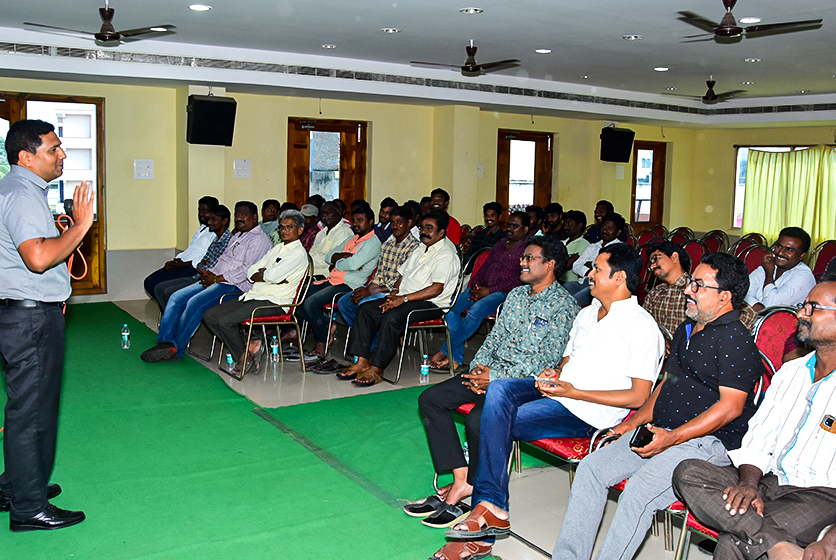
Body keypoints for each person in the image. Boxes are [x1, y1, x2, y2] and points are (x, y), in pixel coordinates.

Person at [429, 244, 665, 560]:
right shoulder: (587, 313)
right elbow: (569, 359)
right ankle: (491, 507)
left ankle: (486, 511)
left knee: (490, 417)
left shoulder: (641, 326)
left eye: (596, 269)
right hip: (559, 391)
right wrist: (556, 373)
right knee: (499, 391)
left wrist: (573, 392)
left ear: (619, 277)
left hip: (586, 411)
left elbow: (638, 396)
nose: (588, 274)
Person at [551, 252, 763, 560]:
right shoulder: (687, 330)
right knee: (591, 470)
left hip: (705, 443)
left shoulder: (735, 340)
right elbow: (667, 385)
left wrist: (673, 438)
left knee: (638, 492)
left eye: (699, 285)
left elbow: (730, 408)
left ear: (724, 298)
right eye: (691, 282)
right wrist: (630, 424)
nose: (688, 290)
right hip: (663, 430)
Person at [407, 236, 579, 529]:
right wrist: (478, 370)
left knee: (478, 418)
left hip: (519, 386)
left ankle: (471, 485)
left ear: (550, 265)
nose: (522, 263)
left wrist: (494, 378)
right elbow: (494, 338)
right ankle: (461, 480)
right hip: (489, 374)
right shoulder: (515, 295)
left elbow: (547, 362)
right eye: (523, 258)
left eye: (529, 258)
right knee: (431, 399)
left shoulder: (564, 307)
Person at [673, 280, 836, 560]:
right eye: (803, 306)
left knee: (735, 540)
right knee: (687, 472)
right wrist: (749, 484)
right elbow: (760, 434)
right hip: (768, 478)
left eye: (813, 308)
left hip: (820, 494)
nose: (801, 314)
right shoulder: (791, 372)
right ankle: (778, 545)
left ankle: (759, 535)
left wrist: (832, 540)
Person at [0, 119, 94, 531]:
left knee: (23, 407)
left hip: (18, 314)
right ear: (26, 156)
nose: (62, 155)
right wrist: (80, 225)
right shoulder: (21, 193)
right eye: (53, 149)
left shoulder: (14, 189)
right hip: (30, 317)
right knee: (33, 413)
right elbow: (38, 258)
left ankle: (18, 485)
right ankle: (29, 506)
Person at [140, 201, 272, 362]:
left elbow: (246, 271)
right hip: (216, 279)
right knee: (176, 297)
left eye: (244, 214)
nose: (239, 218)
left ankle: (176, 348)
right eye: (237, 214)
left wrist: (216, 278)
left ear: (254, 217)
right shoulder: (238, 235)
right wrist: (209, 273)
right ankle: (164, 342)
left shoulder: (258, 240)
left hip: (234, 286)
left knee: (194, 303)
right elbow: (223, 259)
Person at [340, 211, 460, 387]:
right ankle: (362, 361)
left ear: (441, 232)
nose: (424, 232)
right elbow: (402, 276)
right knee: (366, 309)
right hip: (406, 298)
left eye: (430, 228)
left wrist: (403, 299)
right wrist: (394, 294)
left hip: (431, 304)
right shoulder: (420, 249)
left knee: (392, 316)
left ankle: (378, 367)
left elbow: (436, 289)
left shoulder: (446, 255)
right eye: (422, 228)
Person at [203, 210, 309, 378]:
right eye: (282, 227)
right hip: (255, 296)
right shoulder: (278, 248)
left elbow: (271, 276)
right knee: (210, 315)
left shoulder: (298, 254)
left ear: (300, 230)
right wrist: (266, 275)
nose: (284, 231)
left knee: (225, 321)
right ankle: (246, 353)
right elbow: (251, 271)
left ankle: (244, 357)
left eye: (289, 227)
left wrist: (265, 274)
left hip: (276, 302)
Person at [428, 211, 530, 373]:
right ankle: (456, 358)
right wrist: (475, 287)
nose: (510, 228)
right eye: (508, 225)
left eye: (515, 226)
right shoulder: (500, 244)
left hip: (505, 294)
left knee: (475, 311)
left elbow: (518, 280)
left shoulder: (528, 250)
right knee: (450, 306)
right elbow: (484, 268)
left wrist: (489, 291)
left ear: (525, 229)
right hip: (481, 289)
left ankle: (444, 351)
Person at [330, 205, 419, 357]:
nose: (395, 226)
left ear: (409, 223)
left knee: (365, 306)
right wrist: (368, 289)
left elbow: (403, 280)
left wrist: (373, 291)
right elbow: (379, 274)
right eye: (392, 222)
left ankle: (367, 347)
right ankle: (374, 336)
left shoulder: (415, 248)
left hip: (396, 293)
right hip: (378, 288)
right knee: (346, 301)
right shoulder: (388, 245)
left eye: (399, 222)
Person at [296, 203, 381, 360]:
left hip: (349, 284)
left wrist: (338, 261)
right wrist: (342, 258)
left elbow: (353, 264)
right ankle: (326, 325)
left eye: (360, 220)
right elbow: (329, 257)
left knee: (310, 303)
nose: (355, 224)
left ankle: (321, 340)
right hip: (332, 279)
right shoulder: (352, 238)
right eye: (354, 220)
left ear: (370, 222)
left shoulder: (373, 243)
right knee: (296, 299)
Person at [143, 196, 219, 309]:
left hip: (192, 269)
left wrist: (181, 264)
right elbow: (191, 249)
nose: (201, 214)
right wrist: (176, 260)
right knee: (149, 282)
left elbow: (203, 259)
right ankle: (168, 310)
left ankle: (174, 312)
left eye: (205, 211)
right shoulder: (202, 229)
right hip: (182, 264)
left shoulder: (215, 233)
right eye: (200, 210)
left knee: (160, 287)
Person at [153, 205, 232, 310]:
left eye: (213, 219)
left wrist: (204, 265)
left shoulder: (228, 242)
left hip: (208, 282)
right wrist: (203, 264)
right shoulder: (216, 240)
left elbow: (212, 268)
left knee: (170, 292)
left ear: (224, 221)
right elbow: (202, 263)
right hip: (198, 276)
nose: (209, 222)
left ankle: (178, 318)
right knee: (159, 288)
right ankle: (173, 316)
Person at [744, 226, 816, 311]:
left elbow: (772, 306)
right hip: (754, 321)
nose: (781, 252)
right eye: (779, 246)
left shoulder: (804, 276)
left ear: (802, 256)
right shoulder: (768, 265)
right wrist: (758, 307)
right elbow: (744, 291)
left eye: (789, 250)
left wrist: (769, 275)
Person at [565, 212, 625, 307]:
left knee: (573, 301)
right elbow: (576, 266)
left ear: (618, 232)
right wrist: (591, 270)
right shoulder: (593, 246)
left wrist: (590, 265)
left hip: (599, 286)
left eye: (610, 229)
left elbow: (607, 272)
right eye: (604, 227)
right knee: (562, 291)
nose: (605, 231)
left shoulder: (619, 249)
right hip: (582, 282)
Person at [307, 201, 353, 278]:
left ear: (339, 213)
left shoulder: (343, 231)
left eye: (329, 212)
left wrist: (308, 260)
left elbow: (332, 259)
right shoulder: (321, 233)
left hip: (326, 275)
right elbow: (311, 254)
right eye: (322, 213)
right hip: (311, 272)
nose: (325, 215)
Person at [559, 210, 590, 283]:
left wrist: (560, 260)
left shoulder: (584, 244)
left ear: (579, 225)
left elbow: (568, 265)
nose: (565, 227)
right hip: (558, 281)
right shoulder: (562, 242)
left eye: (569, 224)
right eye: (565, 224)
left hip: (572, 283)